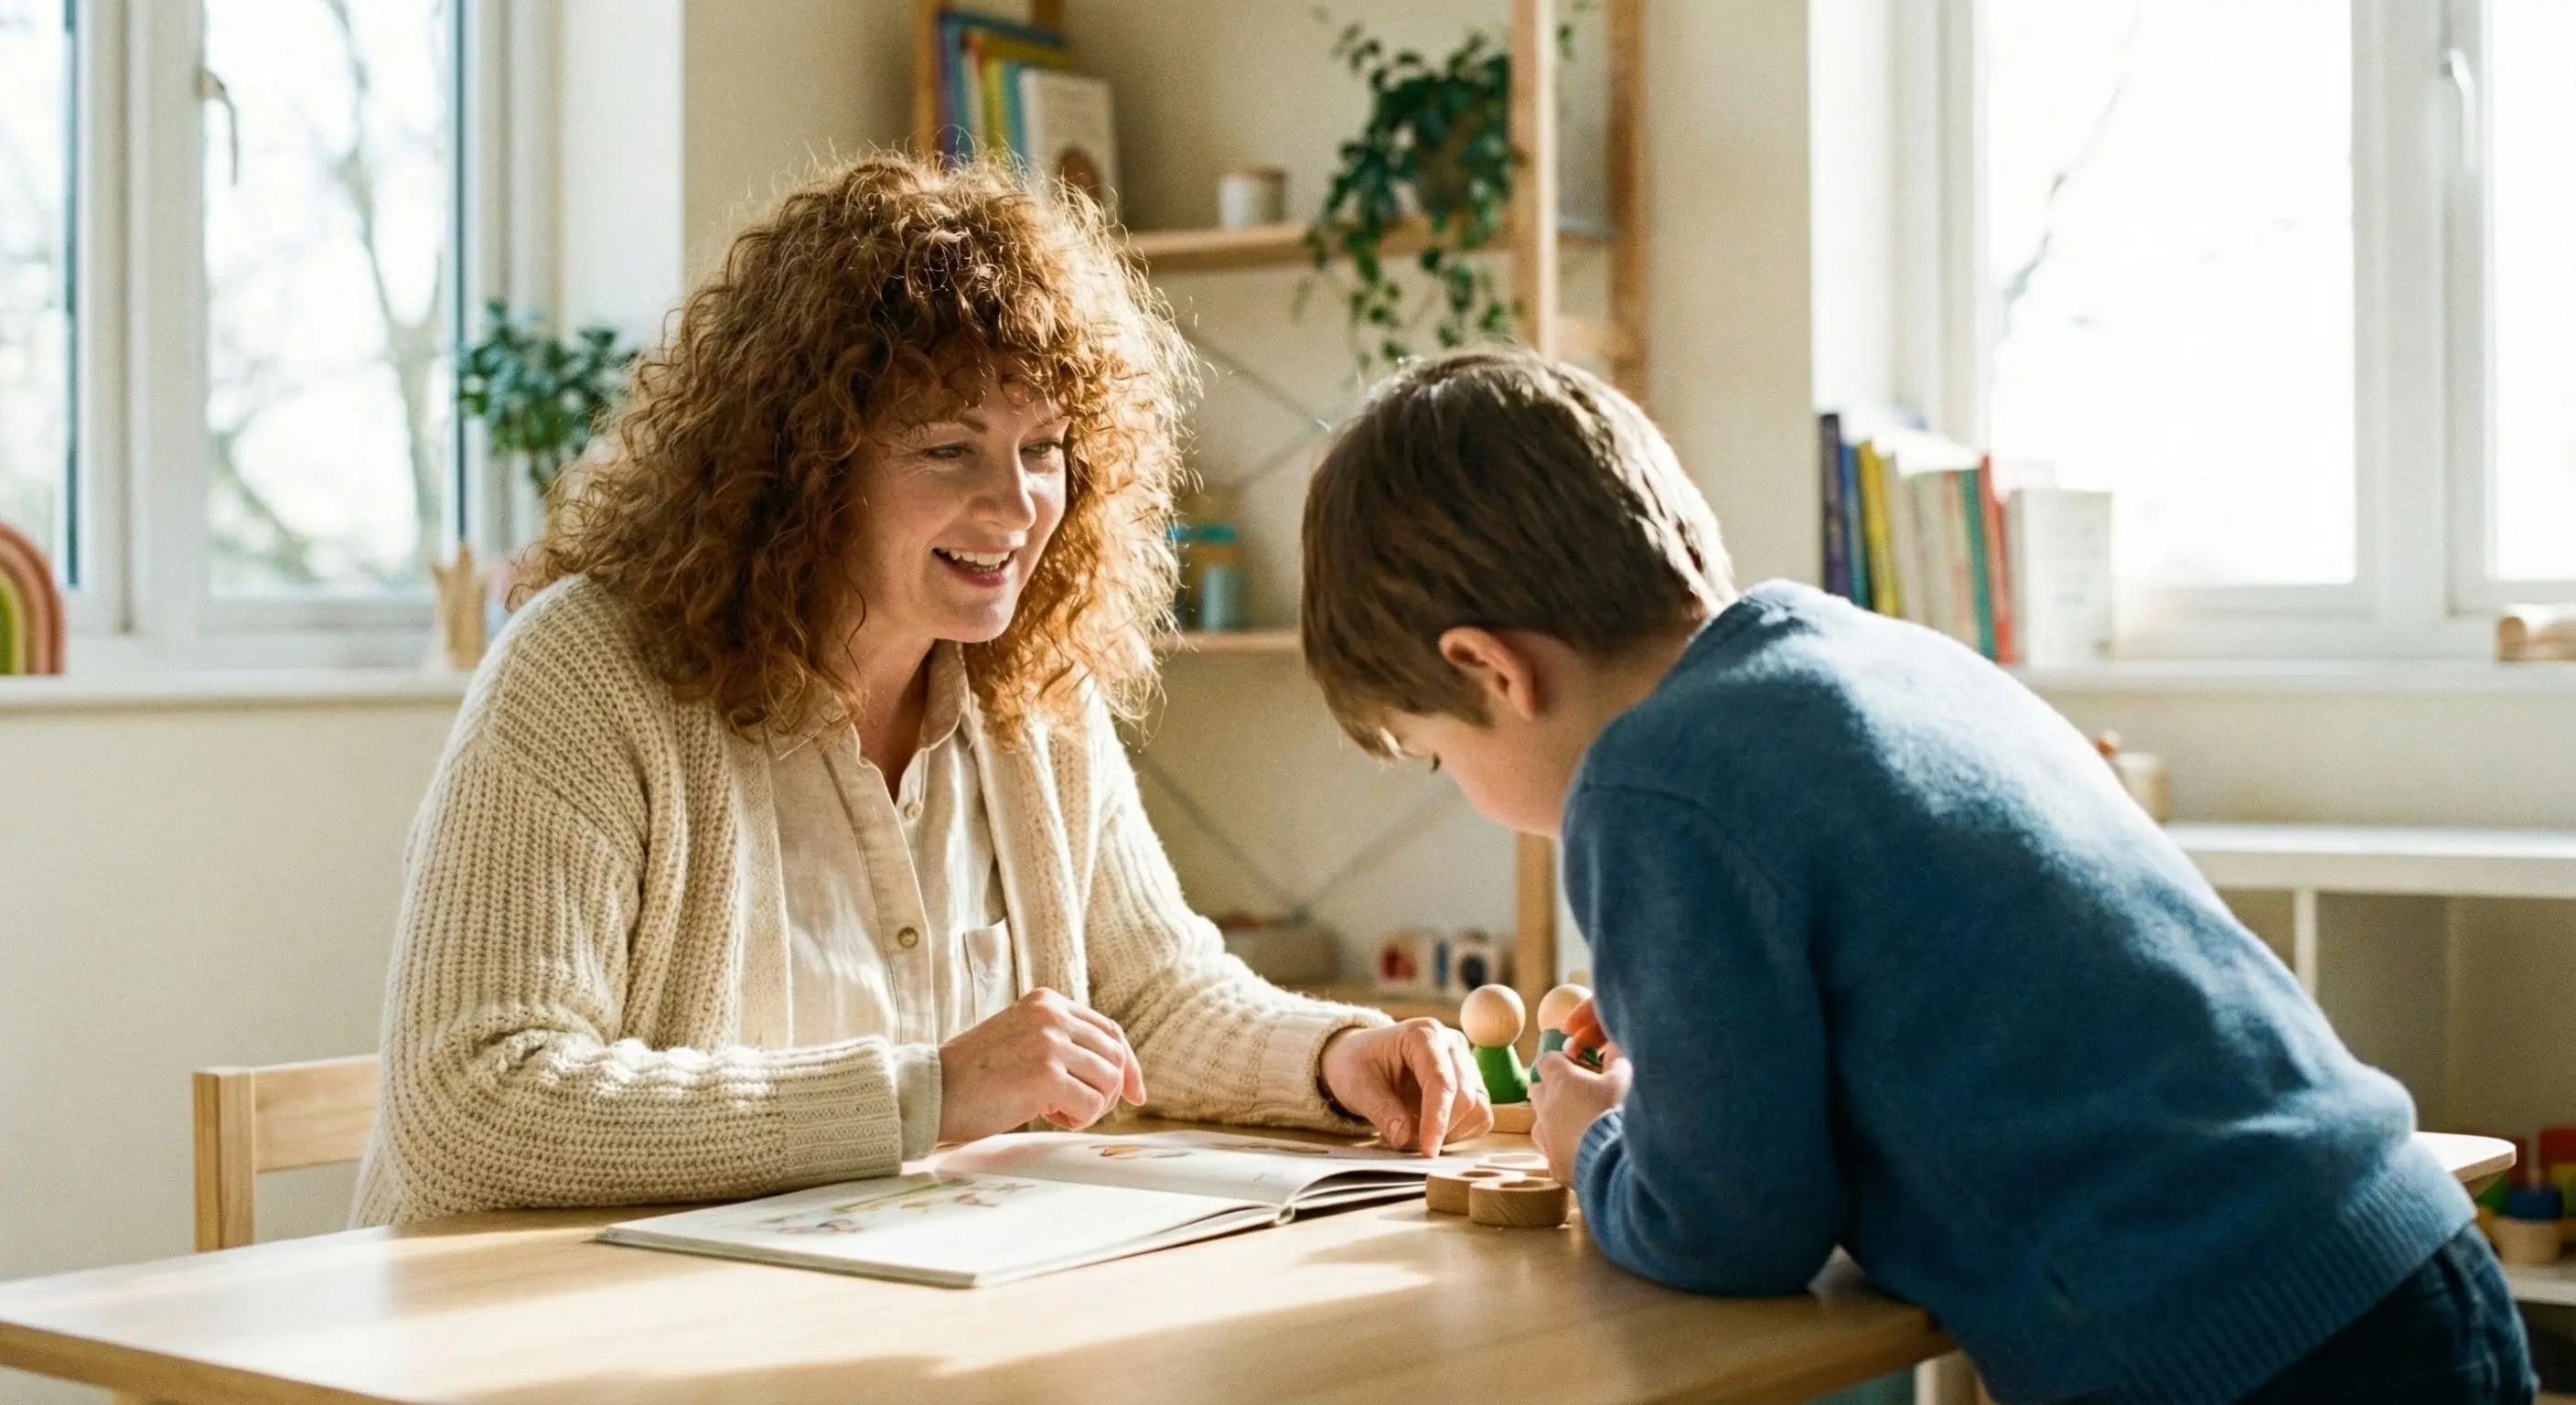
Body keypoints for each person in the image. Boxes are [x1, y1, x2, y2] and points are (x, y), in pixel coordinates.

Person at [1296, 346, 2532, 1403]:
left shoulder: (1648, 786)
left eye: (1434, 753)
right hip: (2398, 1259)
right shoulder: (1875, 655)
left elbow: (1727, 1229)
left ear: (1493, 672)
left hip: (2231, 1354)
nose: (1456, 780)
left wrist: (1602, 1143)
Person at [351, 155, 1489, 1226]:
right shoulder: (586, 671)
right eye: (949, 449)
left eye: (1042, 448)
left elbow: (1145, 998)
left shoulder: (1030, 692)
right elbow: (469, 1106)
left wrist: (1334, 1057)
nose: (1013, 505)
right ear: (802, 465)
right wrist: (926, 1094)